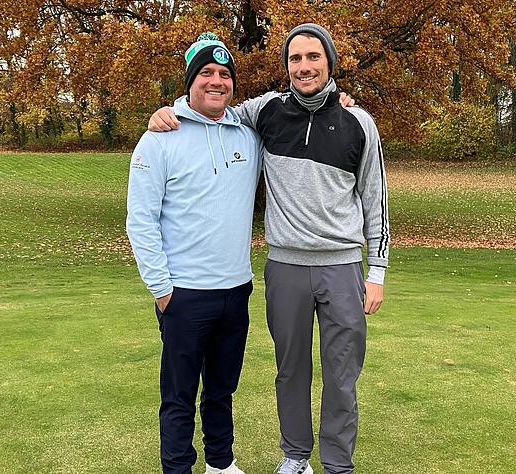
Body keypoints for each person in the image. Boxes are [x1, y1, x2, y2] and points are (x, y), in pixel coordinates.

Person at [148, 24, 390, 474]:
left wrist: (376, 271)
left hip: (342, 268)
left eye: (313, 57)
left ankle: (337, 463)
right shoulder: (265, 112)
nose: (304, 67)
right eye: (295, 59)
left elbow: (377, 202)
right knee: (290, 370)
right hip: (285, 267)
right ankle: (295, 456)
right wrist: (166, 112)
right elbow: (212, 110)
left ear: (329, 63)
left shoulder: (360, 122)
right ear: (286, 68)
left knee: (341, 375)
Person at [126, 32, 262, 474]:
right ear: (190, 81)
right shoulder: (159, 138)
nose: (216, 82)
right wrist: (162, 290)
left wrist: (340, 100)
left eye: (224, 75)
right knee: (180, 395)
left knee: (222, 390)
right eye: (206, 73)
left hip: (235, 289)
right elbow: (140, 220)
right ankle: (178, 468)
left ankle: (221, 464)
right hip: (183, 293)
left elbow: (294, 106)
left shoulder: (248, 135)